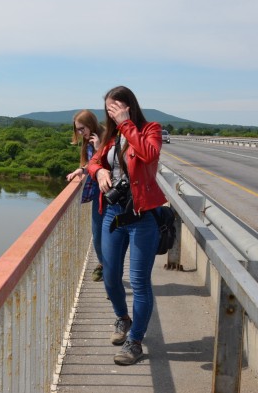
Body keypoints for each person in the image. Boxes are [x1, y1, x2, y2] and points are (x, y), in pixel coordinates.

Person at [86, 86, 166, 366]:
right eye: (108, 109)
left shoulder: (149, 129)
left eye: (116, 107)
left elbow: (148, 154)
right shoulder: (110, 136)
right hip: (113, 215)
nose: (112, 113)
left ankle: (135, 341)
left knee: (140, 282)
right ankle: (122, 317)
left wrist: (125, 123)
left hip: (142, 217)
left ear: (129, 106)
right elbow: (92, 162)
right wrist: (100, 171)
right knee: (109, 276)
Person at [65, 110, 104, 282]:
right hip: (98, 192)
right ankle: (104, 265)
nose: (80, 133)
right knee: (97, 234)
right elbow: (91, 164)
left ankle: (109, 272)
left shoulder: (105, 137)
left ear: (91, 123)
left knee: (110, 236)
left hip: (111, 194)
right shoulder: (88, 140)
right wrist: (81, 169)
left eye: (82, 129)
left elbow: (111, 164)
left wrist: (98, 149)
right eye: (78, 130)